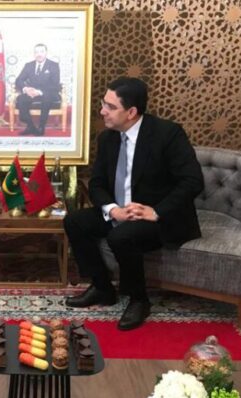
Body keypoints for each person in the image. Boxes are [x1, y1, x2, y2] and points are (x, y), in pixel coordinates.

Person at [63, 77, 204, 330]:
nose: (102, 111)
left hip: (158, 217)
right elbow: (96, 184)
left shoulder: (168, 134)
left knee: (121, 237)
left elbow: (193, 181)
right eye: (103, 103)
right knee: (75, 221)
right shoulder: (107, 138)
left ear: (131, 112)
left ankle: (139, 299)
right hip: (121, 211)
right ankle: (102, 287)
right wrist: (113, 210)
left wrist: (156, 211)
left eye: (110, 106)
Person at [14, 43, 61, 136]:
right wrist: (26, 89)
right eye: (36, 52)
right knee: (21, 99)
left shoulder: (53, 65)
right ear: (34, 54)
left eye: (41, 52)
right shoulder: (29, 65)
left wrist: (39, 92)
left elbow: (55, 84)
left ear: (46, 53)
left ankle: (41, 127)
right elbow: (19, 80)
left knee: (46, 98)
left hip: (48, 92)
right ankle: (30, 126)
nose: (39, 54)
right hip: (32, 92)